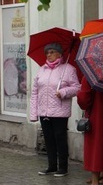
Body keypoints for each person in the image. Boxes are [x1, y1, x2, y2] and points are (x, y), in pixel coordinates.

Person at [29, 43, 81, 177]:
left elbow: (77, 88)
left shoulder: (68, 69)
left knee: (60, 138)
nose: (49, 55)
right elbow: (35, 92)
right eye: (47, 53)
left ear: (59, 54)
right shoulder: (42, 70)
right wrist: (34, 113)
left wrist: (64, 92)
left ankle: (63, 167)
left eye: (52, 52)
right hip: (44, 111)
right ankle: (51, 166)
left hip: (60, 112)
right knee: (48, 139)